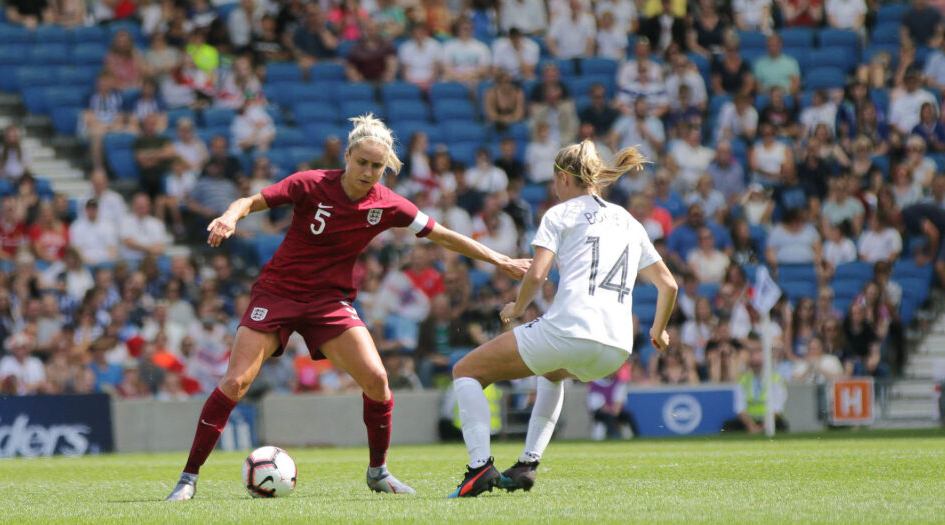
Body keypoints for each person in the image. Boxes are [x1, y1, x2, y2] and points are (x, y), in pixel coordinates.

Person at [165, 115, 530, 501]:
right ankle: (188, 479)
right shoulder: (310, 183)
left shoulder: (388, 204)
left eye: (377, 166)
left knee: (377, 380)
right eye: (362, 163)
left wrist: (501, 261)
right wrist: (228, 217)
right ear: (347, 156)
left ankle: (378, 472)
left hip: (329, 301)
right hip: (278, 292)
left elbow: (445, 237)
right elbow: (251, 201)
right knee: (236, 382)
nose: (369, 172)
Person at [446, 142, 678, 498]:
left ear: (562, 177)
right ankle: (528, 464)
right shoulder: (629, 221)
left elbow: (537, 276)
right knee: (552, 372)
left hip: (571, 329)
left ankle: (479, 467)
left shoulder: (560, 214)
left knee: (465, 371)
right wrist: (659, 330)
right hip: (616, 348)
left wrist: (517, 308)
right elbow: (668, 285)